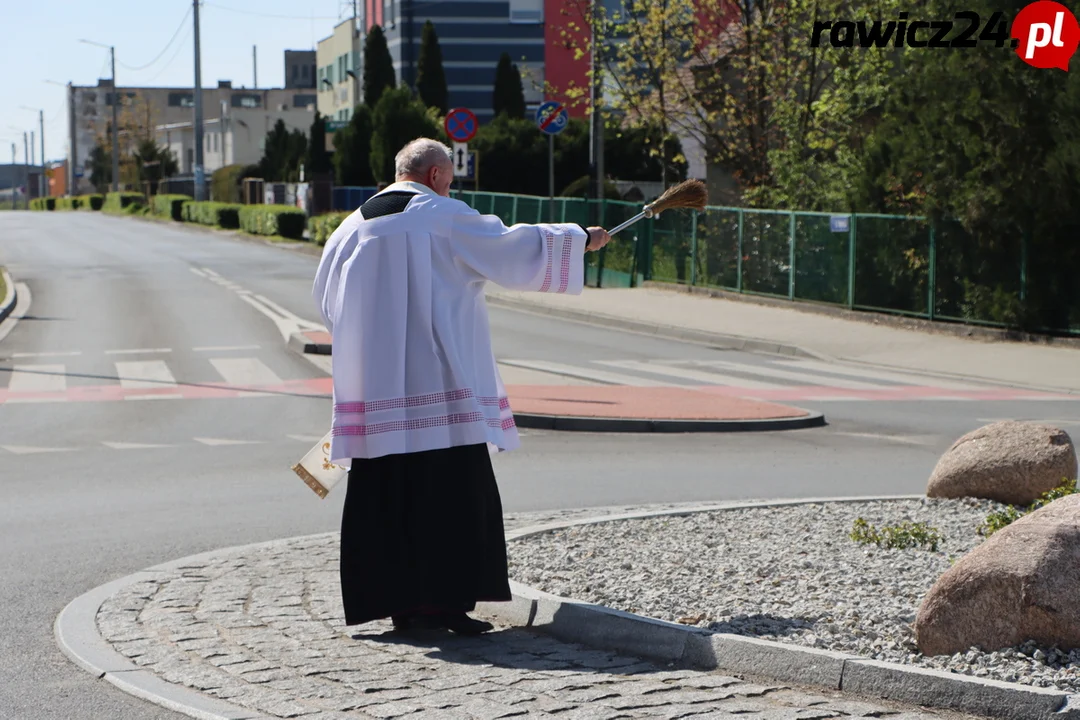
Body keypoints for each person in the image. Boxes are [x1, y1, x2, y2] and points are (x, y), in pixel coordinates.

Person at [312, 137, 611, 635]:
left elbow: (325, 302)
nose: (451, 188)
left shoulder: (350, 226)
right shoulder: (439, 214)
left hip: (375, 386)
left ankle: (399, 606)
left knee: (384, 494)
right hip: (439, 382)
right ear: (434, 176)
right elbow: (509, 246)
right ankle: (445, 606)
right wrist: (580, 238)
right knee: (447, 493)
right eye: (449, 180)